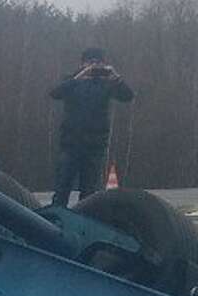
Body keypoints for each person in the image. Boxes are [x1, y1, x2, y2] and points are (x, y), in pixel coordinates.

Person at [47, 47, 134, 207]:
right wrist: (77, 78)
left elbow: (128, 96)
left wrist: (115, 77)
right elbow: (55, 93)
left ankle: (84, 222)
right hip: (70, 143)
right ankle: (56, 217)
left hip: (95, 145)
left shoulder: (106, 83)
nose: (94, 66)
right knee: (62, 187)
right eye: (90, 62)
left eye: (98, 62)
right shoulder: (71, 80)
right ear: (82, 63)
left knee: (89, 191)